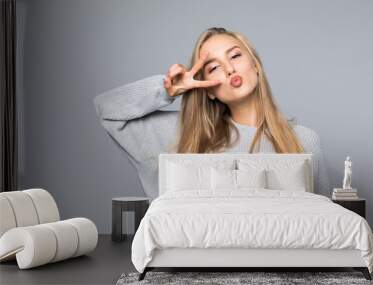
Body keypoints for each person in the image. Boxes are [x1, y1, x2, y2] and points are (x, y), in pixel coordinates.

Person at [93, 27, 330, 201]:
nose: (229, 69)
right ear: (209, 90)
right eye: (214, 67)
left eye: (235, 56)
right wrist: (167, 91)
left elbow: (324, 223)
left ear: (256, 65)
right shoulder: (180, 134)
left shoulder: (304, 139)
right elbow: (107, 109)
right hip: (196, 267)